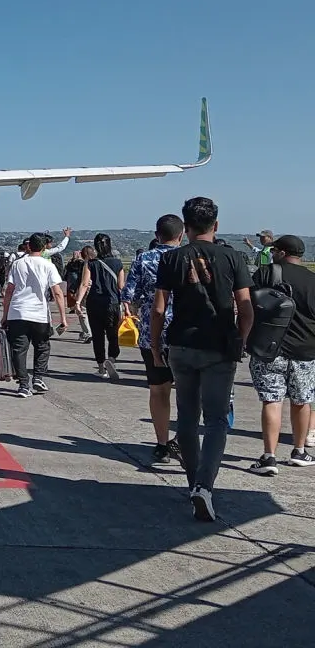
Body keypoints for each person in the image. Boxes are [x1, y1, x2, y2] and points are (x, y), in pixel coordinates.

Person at [152, 196, 253, 522]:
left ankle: (193, 480)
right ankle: (205, 487)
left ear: (187, 227)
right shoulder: (232, 256)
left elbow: (158, 309)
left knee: (186, 418)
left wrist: (155, 346)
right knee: (216, 420)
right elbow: (246, 307)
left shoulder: (172, 258)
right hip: (218, 346)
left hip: (181, 344)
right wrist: (242, 338)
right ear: (216, 225)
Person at [246, 235, 315, 475]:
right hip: (305, 350)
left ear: (281, 252)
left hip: (268, 349)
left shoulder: (265, 274)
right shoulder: (312, 280)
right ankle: (299, 451)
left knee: (272, 400)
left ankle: (269, 457)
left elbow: (249, 305)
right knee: (302, 400)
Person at [122, 214, 184, 465]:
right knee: (188, 392)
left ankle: (161, 443)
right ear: (180, 235)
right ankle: (182, 439)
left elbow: (128, 294)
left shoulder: (143, 259)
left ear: (157, 234)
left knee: (159, 390)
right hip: (183, 331)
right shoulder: (186, 258)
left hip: (152, 332)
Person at [1, 233, 70, 399]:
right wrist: (63, 318)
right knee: (42, 346)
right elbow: (58, 292)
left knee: (18, 349)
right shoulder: (48, 265)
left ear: (28, 246)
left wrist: (5, 315)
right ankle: (38, 377)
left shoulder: (17, 264)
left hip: (17, 312)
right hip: (39, 314)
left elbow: (9, 291)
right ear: (44, 247)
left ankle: (23, 385)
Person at [76, 233, 126, 379]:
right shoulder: (118, 263)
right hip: (113, 303)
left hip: (95, 303)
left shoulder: (90, 263)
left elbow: (84, 284)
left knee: (97, 336)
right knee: (112, 335)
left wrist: (78, 302)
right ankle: (111, 359)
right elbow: (121, 286)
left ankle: (100, 368)